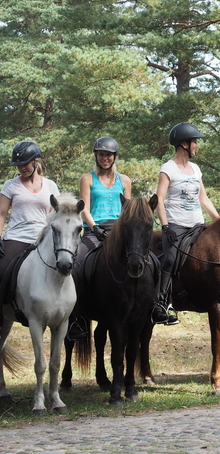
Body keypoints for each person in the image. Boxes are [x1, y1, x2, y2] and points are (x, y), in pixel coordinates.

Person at [154, 122, 220, 325]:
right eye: (194, 142)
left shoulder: (196, 169)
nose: (196, 146)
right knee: (170, 259)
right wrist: (165, 226)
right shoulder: (168, 168)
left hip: (198, 225)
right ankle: (160, 306)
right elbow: (159, 199)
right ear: (184, 144)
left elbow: (204, 199)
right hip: (176, 226)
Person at [68, 136, 133, 339]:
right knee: (77, 265)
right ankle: (77, 319)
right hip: (94, 230)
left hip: (119, 229)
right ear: (96, 155)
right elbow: (84, 207)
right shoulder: (87, 179)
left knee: (148, 261)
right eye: (102, 154)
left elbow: (128, 209)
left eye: (109, 154)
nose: (105, 158)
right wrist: (94, 227)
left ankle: (152, 305)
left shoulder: (125, 180)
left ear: (114, 157)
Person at [0, 142, 60, 323]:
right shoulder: (10, 186)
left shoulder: (50, 186)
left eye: (25, 163)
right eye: (18, 165)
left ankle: (73, 318)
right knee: (1, 269)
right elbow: (1, 213)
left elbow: (55, 215)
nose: (22, 168)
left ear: (36, 161)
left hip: (43, 239)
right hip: (17, 237)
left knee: (71, 270)